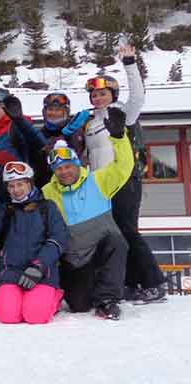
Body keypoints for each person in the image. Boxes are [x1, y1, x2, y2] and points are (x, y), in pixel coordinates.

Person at [74, 47, 163, 305]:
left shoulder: (121, 114)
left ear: (112, 94)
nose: (98, 97)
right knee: (113, 235)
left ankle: (154, 283)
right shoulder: (90, 123)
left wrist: (129, 64)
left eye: (103, 93)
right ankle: (130, 283)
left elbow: (138, 96)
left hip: (124, 180)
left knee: (128, 230)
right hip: (101, 185)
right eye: (94, 94)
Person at [42, 112, 134, 320]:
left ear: (77, 164)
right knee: (79, 306)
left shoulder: (98, 181)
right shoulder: (48, 192)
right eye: (59, 169)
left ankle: (108, 300)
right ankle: (89, 292)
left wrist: (119, 137)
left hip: (102, 250)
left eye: (68, 167)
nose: (64, 172)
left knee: (118, 242)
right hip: (75, 260)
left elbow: (123, 167)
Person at [0, 162, 70, 325]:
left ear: (30, 183)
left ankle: (54, 297)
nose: (16, 190)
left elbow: (58, 238)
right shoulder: (7, 210)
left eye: (20, 184)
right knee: (7, 316)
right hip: (12, 272)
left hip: (42, 273)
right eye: (11, 186)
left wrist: (39, 266)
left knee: (35, 316)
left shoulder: (47, 207)